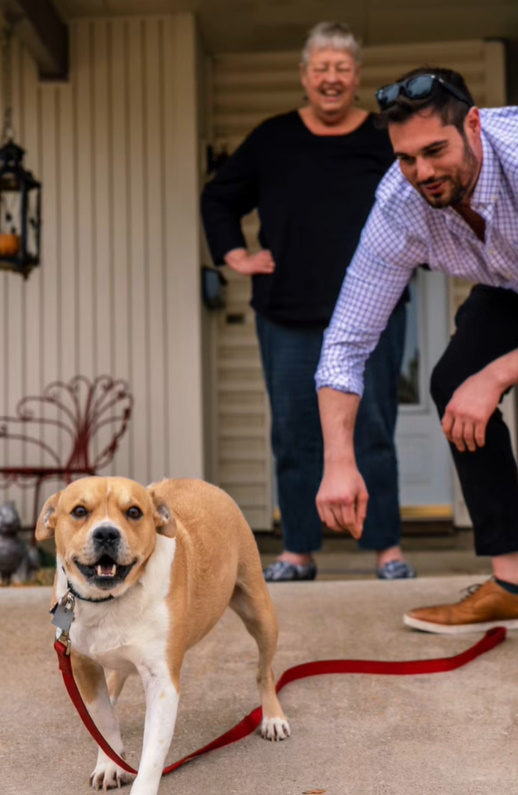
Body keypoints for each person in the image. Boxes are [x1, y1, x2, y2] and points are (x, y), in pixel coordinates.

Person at [201, 21, 415, 582]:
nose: (331, 78)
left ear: (357, 77)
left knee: (373, 430)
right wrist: (235, 256)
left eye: (342, 68)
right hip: (288, 313)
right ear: (304, 75)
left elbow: (424, 192)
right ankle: (298, 550)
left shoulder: (382, 137)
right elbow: (220, 197)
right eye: (321, 68)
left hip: (375, 311)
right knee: (294, 430)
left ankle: (386, 549)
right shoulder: (272, 138)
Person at [316, 65, 518, 632]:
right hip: (509, 286)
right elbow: (347, 341)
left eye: (435, 151)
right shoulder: (398, 206)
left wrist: (497, 374)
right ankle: (513, 582)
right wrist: (339, 462)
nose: (422, 172)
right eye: (406, 157)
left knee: (479, 379)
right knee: (454, 381)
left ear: (474, 125)